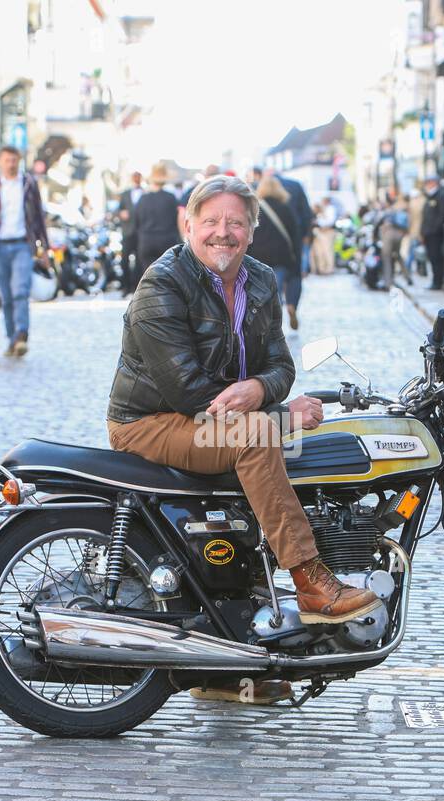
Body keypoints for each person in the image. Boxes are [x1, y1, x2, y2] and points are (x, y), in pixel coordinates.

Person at [105, 175, 380, 705]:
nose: (222, 234)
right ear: (189, 224)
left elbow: (280, 364)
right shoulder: (162, 284)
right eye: (210, 222)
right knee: (258, 438)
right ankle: (311, 582)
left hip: (207, 419)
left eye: (235, 223)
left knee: (272, 460)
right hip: (151, 421)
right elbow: (189, 392)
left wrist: (260, 387)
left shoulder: (259, 280)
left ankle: (225, 666)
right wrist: (276, 415)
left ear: (252, 231)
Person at [0, 144, 51, 357]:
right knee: (6, 296)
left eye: (14, 160)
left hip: (23, 244)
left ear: (19, 161)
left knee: (20, 291)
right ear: (0, 162)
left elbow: (38, 218)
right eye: (7, 160)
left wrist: (44, 248)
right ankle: (11, 338)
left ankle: (22, 335)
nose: (11, 164)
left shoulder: (29, 184)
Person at [247, 172, 300, 310]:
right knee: (276, 288)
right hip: (280, 256)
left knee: (260, 290)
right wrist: (296, 258)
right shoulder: (286, 209)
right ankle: (282, 311)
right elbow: (295, 235)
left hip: (258, 255)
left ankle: (265, 316)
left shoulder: (255, 209)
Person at [133, 162, 181, 279]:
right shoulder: (171, 197)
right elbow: (176, 220)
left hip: (146, 241)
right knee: (168, 278)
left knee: (148, 278)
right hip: (167, 241)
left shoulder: (142, 199)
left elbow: (136, 222)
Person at [118, 170, 144, 294]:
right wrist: (121, 213)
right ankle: (125, 287)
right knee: (124, 261)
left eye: (138, 177)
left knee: (139, 261)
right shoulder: (125, 194)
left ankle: (136, 287)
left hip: (141, 232)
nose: (136, 179)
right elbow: (119, 209)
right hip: (127, 232)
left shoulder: (146, 193)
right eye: (134, 177)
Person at [420, 173, 444, 290]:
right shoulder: (429, 196)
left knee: (436, 258)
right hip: (428, 233)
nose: (427, 185)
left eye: (429, 182)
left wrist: (434, 230)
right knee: (431, 257)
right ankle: (435, 280)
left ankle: (438, 282)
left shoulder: (440, 195)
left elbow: (441, 215)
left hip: (435, 234)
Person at [312, 197, 337, 275]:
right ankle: (322, 268)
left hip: (327, 231)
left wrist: (320, 222)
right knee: (320, 251)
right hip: (321, 231)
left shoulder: (330, 209)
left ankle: (329, 268)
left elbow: (329, 221)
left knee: (327, 251)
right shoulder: (324, 209)